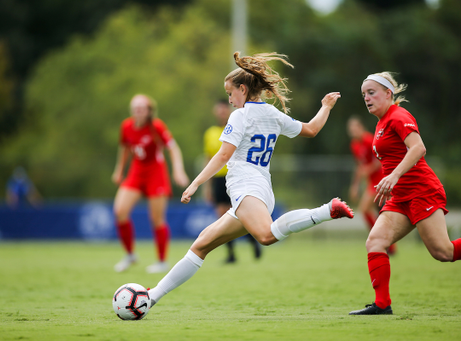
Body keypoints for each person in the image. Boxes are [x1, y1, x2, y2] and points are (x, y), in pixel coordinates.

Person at [147, 52, 354, 308]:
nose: (230, 99)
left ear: (243, 89)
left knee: (266, 236)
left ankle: (326, 210)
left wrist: (195, 183)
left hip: (246, 187)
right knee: (201, 245)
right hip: (260, 188)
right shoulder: (272, 114)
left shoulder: (240, 115)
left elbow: (223, 154)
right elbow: (311, 129)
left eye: (230, 93)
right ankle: (150, 297)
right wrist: (326, 107)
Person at [349, 72, 461, 315]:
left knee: (443, 252)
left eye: (372, 92)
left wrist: (394, 175)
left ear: (388, 94)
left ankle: (382, 304)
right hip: (400, 198)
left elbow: (418, 147)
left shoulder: (398, 116)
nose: (367, 98)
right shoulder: (381, 123)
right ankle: (381, 305)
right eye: (363, 94)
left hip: (422, 192)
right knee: (376, 242)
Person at [112, 94, 189, 274]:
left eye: (142, 108)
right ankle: (130, 255)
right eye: (135, 108)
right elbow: (124, 148)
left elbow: (173, 148)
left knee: (156, 219)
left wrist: (178, 170)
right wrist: (119, 170)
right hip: (136, 172)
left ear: (148, 111)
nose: (138, 111)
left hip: (156, 173)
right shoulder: (126, 126)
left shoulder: (156, 126)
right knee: (120, 211)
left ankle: (162, 261)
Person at [203, 99, 261, 263]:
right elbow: (209, 159)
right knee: (222, 217)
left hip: (236, 177)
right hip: (219, 179)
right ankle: (231, 254)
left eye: (224, 110)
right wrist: (207, 186)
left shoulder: (238, 127)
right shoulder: (210, 133)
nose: (221, 113)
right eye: (218, 110)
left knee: (242, 214)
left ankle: (252, 241)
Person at [347, 116, 396, 255]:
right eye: (350, 129)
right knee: (380, 214)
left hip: (381, 179)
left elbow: (380, 160)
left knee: (365, 209)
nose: (353, 131)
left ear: (361, 127)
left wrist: (368, 169)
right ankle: (387, 244)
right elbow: (360, 167)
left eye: (355, 127)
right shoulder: (354, 145)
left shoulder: (370, 140)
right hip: (371, 183)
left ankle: (380, 240)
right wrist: (355, 186)